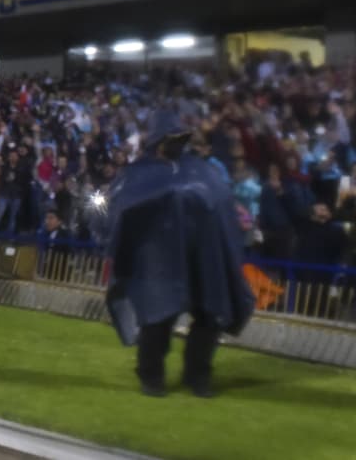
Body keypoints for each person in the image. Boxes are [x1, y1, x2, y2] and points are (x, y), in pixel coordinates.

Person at [105, 113, 254, 399]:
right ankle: (151, 374)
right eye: (172, 139)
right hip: (158, 257)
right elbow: (120, 207)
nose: (178, 144)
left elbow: (221, 204)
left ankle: (198, 374)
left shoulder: (202, 171)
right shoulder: (139, 174)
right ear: (158, 141)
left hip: (204, 253)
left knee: (210, 315)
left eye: (182, 139)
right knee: (158, 317)